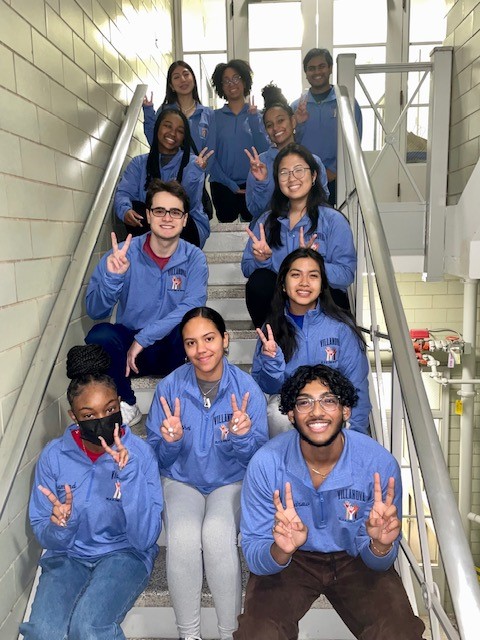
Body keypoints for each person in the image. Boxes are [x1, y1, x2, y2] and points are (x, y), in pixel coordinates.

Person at [234, 364, 426, 640]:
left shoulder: (378, 464)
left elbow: (380, 563)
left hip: (355, 557)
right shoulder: (266, 463)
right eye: (304, 402)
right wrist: (280, 550)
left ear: (346, 410)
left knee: (400, 632)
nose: (316, 411)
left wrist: (381, 546)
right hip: (292, 561)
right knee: (257, 633)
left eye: (329, 400)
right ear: (290, 414)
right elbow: (255, 555)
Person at [19, 344, 163, 640]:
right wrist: (61, 525)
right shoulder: (54, 455)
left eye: (110, 410)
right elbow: (43, 532)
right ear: (74, 417)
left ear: (120, 404)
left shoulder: (140, 454)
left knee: (88, 627)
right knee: (44, 632)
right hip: (68, 554)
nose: (102, 419)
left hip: (125, 554)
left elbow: (145, 538)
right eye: (89, 414)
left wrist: (130, 476)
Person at [146, 306, 269, 640]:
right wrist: (170, 442)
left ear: (226, 339)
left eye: (209, 338)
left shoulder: (247, 389)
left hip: (230, 481)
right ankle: (190, 635)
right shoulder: (169, 389)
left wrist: (242, 438)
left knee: (217, 535)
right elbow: (155, 456)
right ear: (184, 350)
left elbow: (260, 462)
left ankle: (230, 633)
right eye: (190, 343)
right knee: (183, 537)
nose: (201, 350)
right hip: (181, 480)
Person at [86, 179, 208, 427]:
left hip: (171, 348)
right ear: (149, 216)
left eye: (175, 212)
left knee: (191, 328)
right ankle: (128, 402)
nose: (167, 218)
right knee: (99, 335)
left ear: (184, 219)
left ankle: (179, 403)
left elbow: (192, 306)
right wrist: (113, 278)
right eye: (159, 210)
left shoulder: (194, 258)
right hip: (130, 355)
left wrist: (145, 338)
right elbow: (95, 310)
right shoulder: (122, 253)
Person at [252, 248, 370, 436]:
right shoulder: (271, 328)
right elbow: (265, 387)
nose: (304, 283)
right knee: (276, 414)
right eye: (296, 275)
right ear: (283, 284)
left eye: (313, 276)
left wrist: (357, 437)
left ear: (323, 284)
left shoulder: (341, 327)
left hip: (331, 406)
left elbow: (358, 386)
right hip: (291, 407)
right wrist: (272, 365)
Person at [241, 142, 356, 328]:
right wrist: (262, 261)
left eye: (299, 170)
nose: (292, 178)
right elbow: (247, 268)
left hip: (322, 305)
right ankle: (274, 343)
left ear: (314, 176)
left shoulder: (334, 220)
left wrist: (314, 265)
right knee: (259, 283)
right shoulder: (266, 221)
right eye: (284, 172)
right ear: (278, 181)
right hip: (281, 310)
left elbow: (346, 274)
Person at [114, 107, 212, 247]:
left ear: (184, 137)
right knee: (139, 209)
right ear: (157, 128)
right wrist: (125, 210)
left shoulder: (193, 163)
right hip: (152, 227)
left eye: (180, 131)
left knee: (173, 212)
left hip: (186, 227)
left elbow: (189, 202)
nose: (173, 133)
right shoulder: (139, 163)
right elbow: (124, 192)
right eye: (167, 126)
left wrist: (196, 172)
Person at [245, 83, 329, 222]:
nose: (276, 127)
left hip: (304, 234)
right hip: (268, 235)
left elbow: (322, 202)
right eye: (269, 125)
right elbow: (254, 210)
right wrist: (262, 183)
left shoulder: (313, 161)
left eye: (281, 120)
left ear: (293, 121)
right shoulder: (260, 164)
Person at [142, 60, 215, 219]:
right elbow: (154, 140)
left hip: (193, 177)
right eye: (176, 77)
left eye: (186, 74)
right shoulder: (165, 110)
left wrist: (199, 172)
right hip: (168, 177)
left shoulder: (208, 114)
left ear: (193, 79)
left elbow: (211, 151)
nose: (182, 80)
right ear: (171, 86)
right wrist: (148, 112)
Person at [291, 48, 363, 207]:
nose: (317, 72)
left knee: (333, 223)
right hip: (303, 177)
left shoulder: (346, 103)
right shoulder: (297, 106)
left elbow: (354, 141)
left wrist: (334, 171)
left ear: (330, 68)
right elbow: (291, 143)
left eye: (321, 66)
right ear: (306, 72)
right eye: (311, 68)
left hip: (336, 178)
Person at [209, 59, 270, 222]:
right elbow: (210, 157)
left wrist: (253, 120)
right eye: (226, 80)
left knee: (255, 231)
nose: (231, 84)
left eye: (236, 78)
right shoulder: (213, 117)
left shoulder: (258, 116)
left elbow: (265, 152)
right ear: (221, 86)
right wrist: (230, 184)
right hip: (222, 185)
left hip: (254, 184)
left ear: (244, 81)